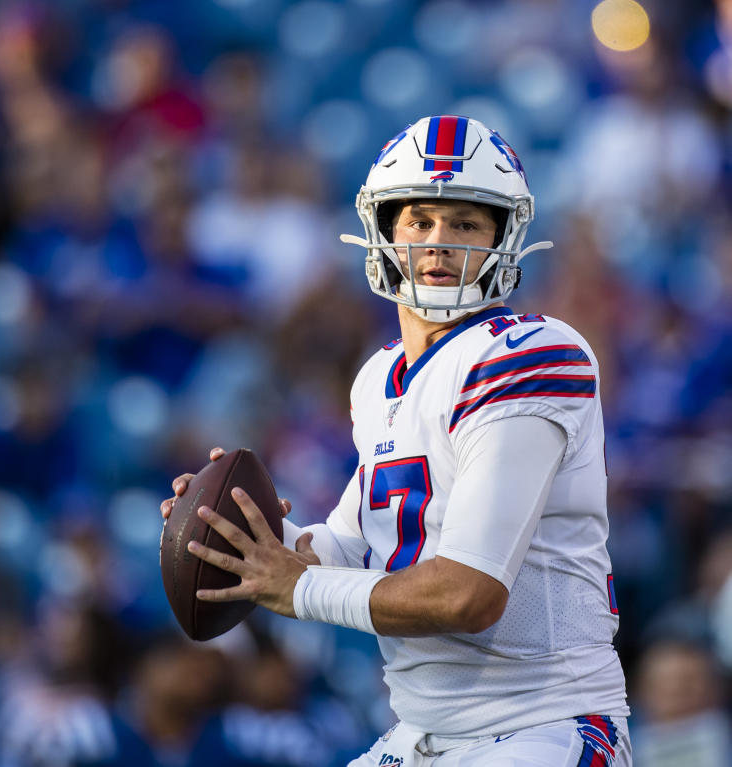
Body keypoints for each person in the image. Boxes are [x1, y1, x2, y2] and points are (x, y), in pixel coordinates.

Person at [160, 115, 630, 766]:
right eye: (419, 220)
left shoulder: (532, 354)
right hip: (421, 732)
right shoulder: (379, 378)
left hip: (538, 726)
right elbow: (354, 543)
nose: (438, 242)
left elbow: (468, 593)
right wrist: (240, 542)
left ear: (505, 237)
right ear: (383, 231)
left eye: (464, 223)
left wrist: (292, 586)